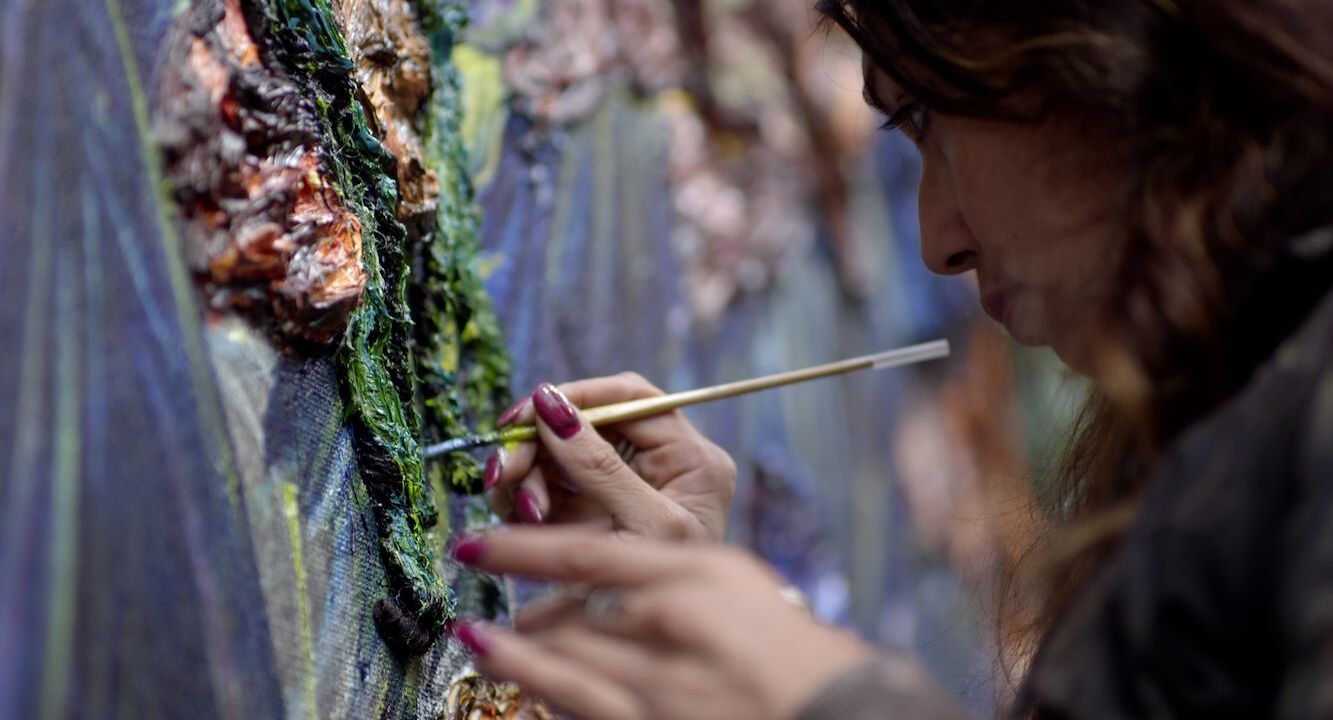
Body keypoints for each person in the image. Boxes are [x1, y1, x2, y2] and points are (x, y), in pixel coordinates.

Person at [447, 1, 1333, 717]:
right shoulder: (1223, 414)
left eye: (922, 116)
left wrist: (830, 700)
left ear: (1099, 50)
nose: (937, 242)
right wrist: (740, 642)